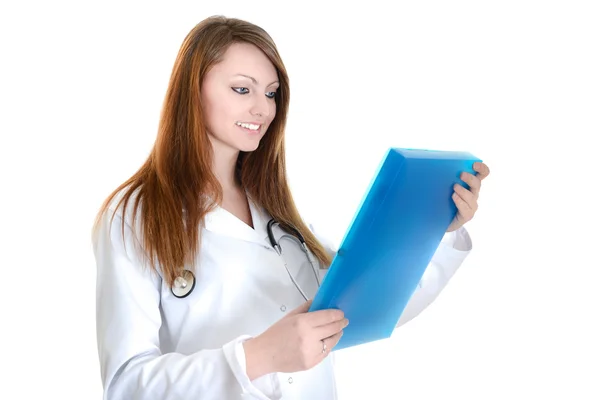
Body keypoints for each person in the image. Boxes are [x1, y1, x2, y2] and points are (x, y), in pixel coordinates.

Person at [91, 15, 490, 400]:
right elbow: (127, 384)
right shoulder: (135, 215)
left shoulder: (281, 220)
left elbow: (369, 308)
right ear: (192, 90)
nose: (263, 109)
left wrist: (437, 227)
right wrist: (258, 356)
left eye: (271, 92)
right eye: (242, 89)